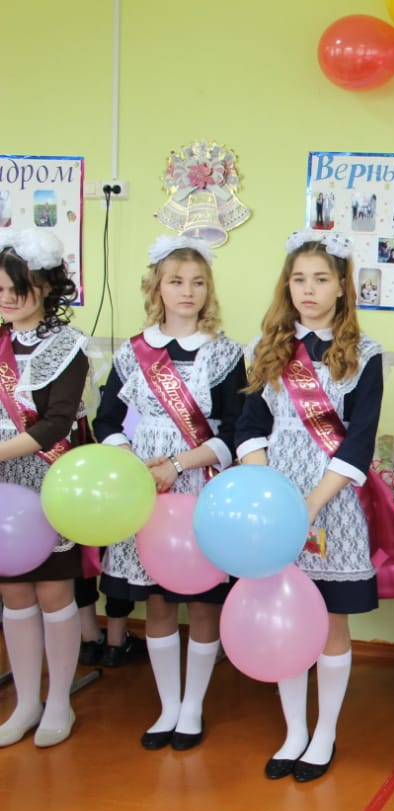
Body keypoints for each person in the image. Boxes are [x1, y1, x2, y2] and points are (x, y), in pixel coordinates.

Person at [236, 231, 383, 783]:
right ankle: (294, 730)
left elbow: (359, 441)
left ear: (342, 286)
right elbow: (250, 427)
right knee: (286, 617)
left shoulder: (366, 354)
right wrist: (270, 494)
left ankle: (324, 733)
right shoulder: (265, 347)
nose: (308, 290)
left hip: (332, 501)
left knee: (328, 621)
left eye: (321, 279)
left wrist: (312, 502)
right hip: (276, 500)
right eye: (298, 279)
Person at [92, 235, 246, 751]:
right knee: (157, 602)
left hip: (200, 485)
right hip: (146, 491)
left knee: (201, 602)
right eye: (176, 281)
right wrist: (138, 466)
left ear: (209, 290)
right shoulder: (133, 351)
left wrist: (177, 464)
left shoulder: (225, 354)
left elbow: (234, 432)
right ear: (157, 287)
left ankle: (193, 708)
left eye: (198, 282)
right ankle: (167, 707)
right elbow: (106, 421)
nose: (187, 291)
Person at [0, 228, 90, 748]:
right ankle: (25, 703)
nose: (9, 298)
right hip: (3, 491)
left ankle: (59, 702)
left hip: (49, 481)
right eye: (1, 289)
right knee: (14, 593)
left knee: (54, 592)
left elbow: (57, 423)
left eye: (20, 287)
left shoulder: (68, 347)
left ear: (47, 286)